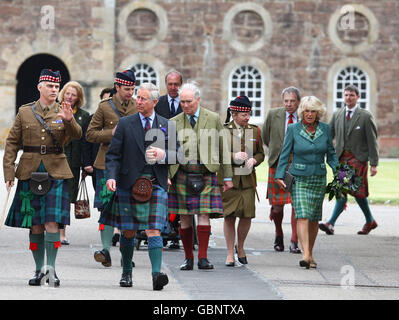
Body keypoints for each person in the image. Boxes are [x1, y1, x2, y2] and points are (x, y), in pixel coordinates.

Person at [3, 69, 82, 286]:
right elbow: (11, 143)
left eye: (57, 87)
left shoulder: (64, 111)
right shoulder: (25, 111)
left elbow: (77, 135)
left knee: (51, 223)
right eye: (50, 86)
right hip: (29, 170)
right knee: (35, 225)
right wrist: (9, 172)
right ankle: (38, 270)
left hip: (55, 170)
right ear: (40, 87)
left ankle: (51, 270)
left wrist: (69, 120)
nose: (55, 90)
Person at [100, 82, 176, 289]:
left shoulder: (167, 125)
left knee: (154, 230)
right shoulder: (125, 123)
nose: (138, 101)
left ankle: (156, 275)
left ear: (155, 102)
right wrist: (111, 176)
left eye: (143, 98)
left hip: (155, 184)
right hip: (128, 184)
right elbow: (113, 155)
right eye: (137, 98)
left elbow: (179, 155)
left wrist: (164, 155)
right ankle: (126, 273)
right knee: (128, 231)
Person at [168, 82, 233, 271]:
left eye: (189, 101)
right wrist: (166, 174)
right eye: (182, 102)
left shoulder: (212, 118)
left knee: (204, 215)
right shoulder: (174, 121)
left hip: (205, 173)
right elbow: (170, 150)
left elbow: (223, 148)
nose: (185, 105)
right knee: (185, 217)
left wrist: (227, 177)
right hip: (182, 173)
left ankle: (203, 258)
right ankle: (188, 258)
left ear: (198, 99)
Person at [275, 96, 338, 269]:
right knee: (302, 215)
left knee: (313, 218)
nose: (309, 114)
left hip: (318, 177)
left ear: (318, 113)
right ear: (302, 112)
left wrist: (339, 172)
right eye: (306, 111)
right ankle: (305, 254)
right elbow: (285, 152)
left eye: (313, 111)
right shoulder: (294, 129)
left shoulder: (325, 129)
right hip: (299, 178)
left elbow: (331, 154)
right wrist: (279, 175)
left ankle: (310, 251)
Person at [86, 70, 137, 267]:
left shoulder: (137, 106)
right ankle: (106, 250)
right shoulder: (104, 107)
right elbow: (90, 134)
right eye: (126, 89)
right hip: (105, 163)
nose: (130, 93)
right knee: (106, 207)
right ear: (117, 87)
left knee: (128, 210)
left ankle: (127, 255)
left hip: (130, 164)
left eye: (132, 89)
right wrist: (111, 133)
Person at [319, 85, 379, 235]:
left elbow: (372, 141)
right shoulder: (338, 114)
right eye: (346, 95)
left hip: (358, 159)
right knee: (350, 191)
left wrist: (374, 164)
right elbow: (329, 135)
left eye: (352, 95)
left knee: (347, 190)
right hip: (341, 159)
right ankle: (370, 221)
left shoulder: (365, 116)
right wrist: (319, 150)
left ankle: (331, 223)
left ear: (358, 97)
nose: (348, 98)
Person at [219, 96, 265, 266]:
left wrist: (255, 160)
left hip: (247, 181)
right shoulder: (223, 131)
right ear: (234, 114)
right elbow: (217, 155)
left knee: (247, 216)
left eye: (249, 114)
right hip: (229, 179)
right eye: (244, 115)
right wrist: (233, 156)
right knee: (229, 216)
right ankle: (230, 253)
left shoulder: (255, 131)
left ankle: (241, 247)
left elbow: (261, 153)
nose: (247, 118)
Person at [261, 86, 301, 253]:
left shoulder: (304, 115)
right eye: (286, 101)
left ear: (298, 102)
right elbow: (265, 136)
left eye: (292, 101)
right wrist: (278, 153)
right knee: (277, 206)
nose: (289, 104)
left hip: (298, 164)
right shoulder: (273, 114)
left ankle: (294, 240)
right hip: (278, 164)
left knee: (296, 204)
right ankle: (278, 233)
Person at [155, 69, 184, 249]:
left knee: (181, 196)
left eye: (176, 84)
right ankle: (164, 229)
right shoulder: (159, 103)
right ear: (166, 85)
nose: (173, 87)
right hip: (163, 152)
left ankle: (178, 231)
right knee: (164, 194)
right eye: (170, 84)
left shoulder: (188, 102)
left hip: (182, 153)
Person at [59, 81, 90, 245]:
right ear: (63, 94)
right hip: (55, 160)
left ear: (78, 98)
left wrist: (86, 164)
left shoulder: (84, 116)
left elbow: (86, 142)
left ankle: (62, 233)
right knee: (53, 195)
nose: (70, 97)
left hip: (73, 163)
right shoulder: (55, 110)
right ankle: (51, 229)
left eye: (74, 94)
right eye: (68, 93)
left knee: (66, 197)